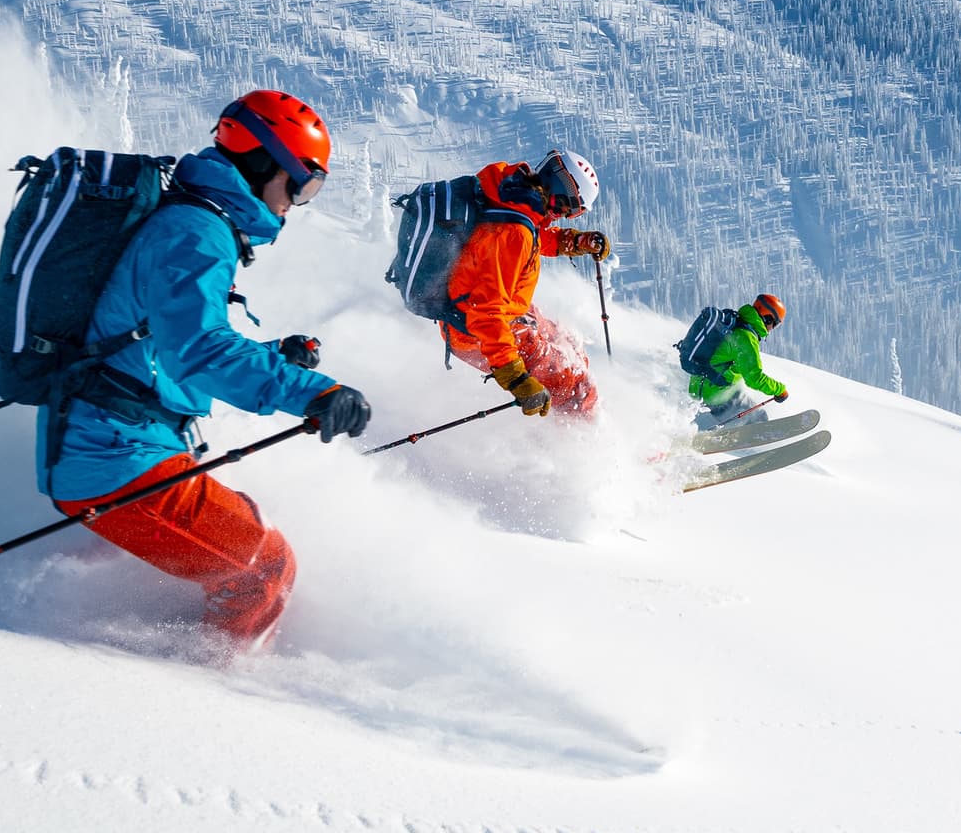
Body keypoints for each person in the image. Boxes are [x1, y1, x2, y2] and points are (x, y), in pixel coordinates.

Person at [40, 90, 372, 656]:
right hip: (116, 456)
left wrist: (274, 356)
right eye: (302, 186)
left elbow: (159, 345)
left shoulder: (193, 220)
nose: (297, 204)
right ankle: (211, 685)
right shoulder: (196, 232)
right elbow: (197, 349)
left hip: (114, 444)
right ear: (265, 164)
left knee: (245, 545)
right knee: (263, 567)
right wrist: (313, 392)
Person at [440, 149, 611, 418]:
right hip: (476, 330)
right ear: (563, 195)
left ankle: (577, 410)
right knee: (576, 388)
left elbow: (532, 236)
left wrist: (575, 241)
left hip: (497, 310)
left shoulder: (510, 193)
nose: (565, 216)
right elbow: (486, 313)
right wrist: (515, 376)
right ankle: (586, 432)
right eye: (571, 209)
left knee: (567, 341)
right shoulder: (513, 232)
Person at [688, 294, 791, 424]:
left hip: (698, 387)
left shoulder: (734, 324)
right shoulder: (746, 337)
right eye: (775, 324)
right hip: (715, 394)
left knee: (744, 401)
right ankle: (741, 436)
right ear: (767, 318)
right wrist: (780, 390)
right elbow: (754, 378)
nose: (772, 329)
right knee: (759, 417)